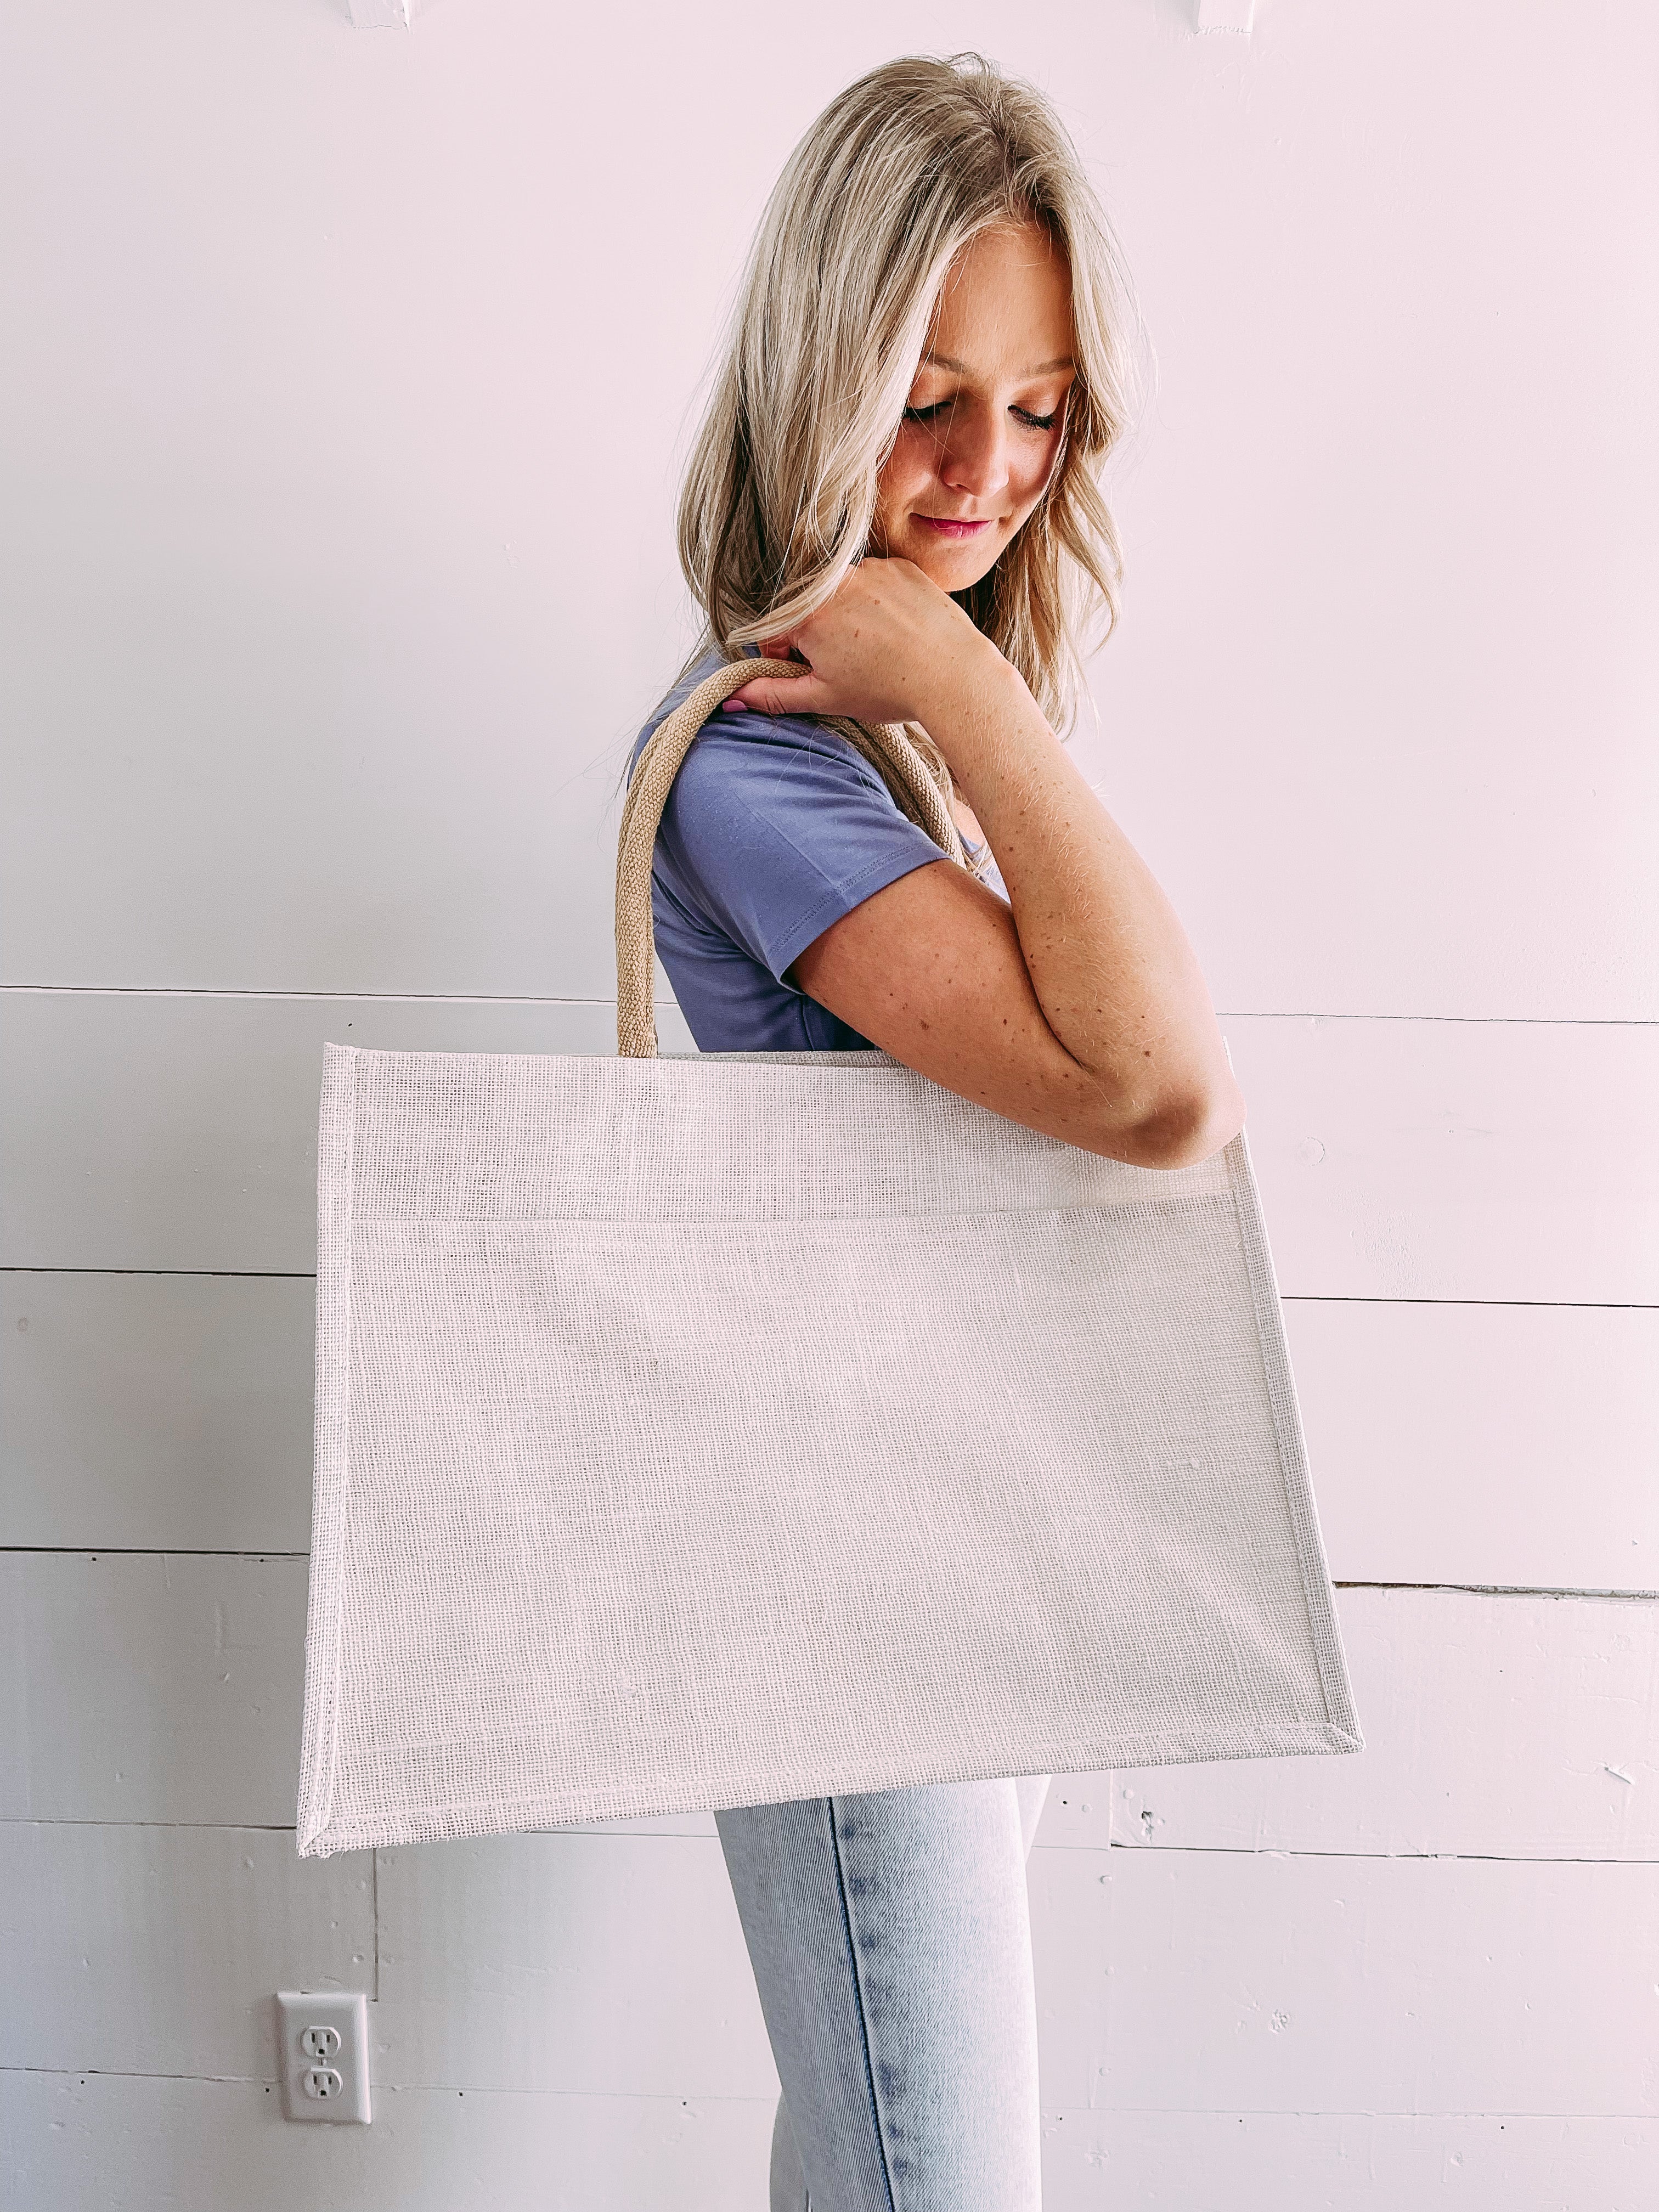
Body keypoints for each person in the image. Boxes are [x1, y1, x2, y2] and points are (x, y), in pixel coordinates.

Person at [628, 53, 1245, 2212]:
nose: (994, 465)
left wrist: (968, 703)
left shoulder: (899, 751)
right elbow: (1162, 1096)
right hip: (841, 1565)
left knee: (871, 2166)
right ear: (824, 373)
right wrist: (968, 693)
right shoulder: (760, 761)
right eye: (932, 396)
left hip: (961, 1534)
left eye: (1047, 408)